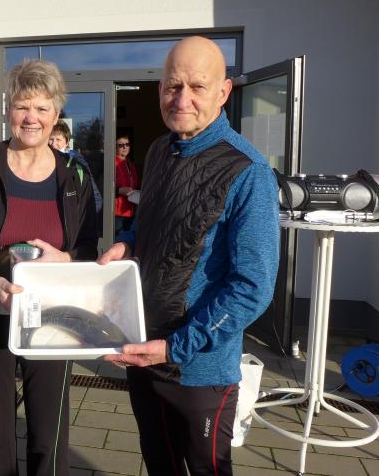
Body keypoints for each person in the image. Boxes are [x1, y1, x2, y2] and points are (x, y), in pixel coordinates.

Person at [99, 37, 279, 476]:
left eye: (197, 86)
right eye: (172, 86)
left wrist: (175, 348)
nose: (182, 100)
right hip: (143, 351)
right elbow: (151, 224)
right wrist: (128, 243)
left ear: (224, 92)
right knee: (158, 464)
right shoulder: (160, 150)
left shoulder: (248, 171)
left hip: (200, 372)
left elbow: (252, 288)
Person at [0, 59, 98, 476]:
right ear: (8, 110)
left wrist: (68, 258)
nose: (32, 118)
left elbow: (87, 245)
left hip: (53, 320)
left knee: (49, 430)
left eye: (42, 108)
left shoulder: (75, 175)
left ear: (56, 114)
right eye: (22, 106)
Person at [49, 121, 103, 218]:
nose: (53, 144)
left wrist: (83, 219)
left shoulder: (77, 162)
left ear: (66, 142)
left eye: (58, 139)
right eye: (51, 139)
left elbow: (94, 194)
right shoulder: (42, 160)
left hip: (71, 217)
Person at [113, 134, 139, 238]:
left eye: (127, 144)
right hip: (117, 213)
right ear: (115, 148)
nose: (125, 147)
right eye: (121, 145)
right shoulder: (112, 163)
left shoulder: (130, 164)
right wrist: (119, 190)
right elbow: (104, 187)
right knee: (118, 241)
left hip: (130, 211)